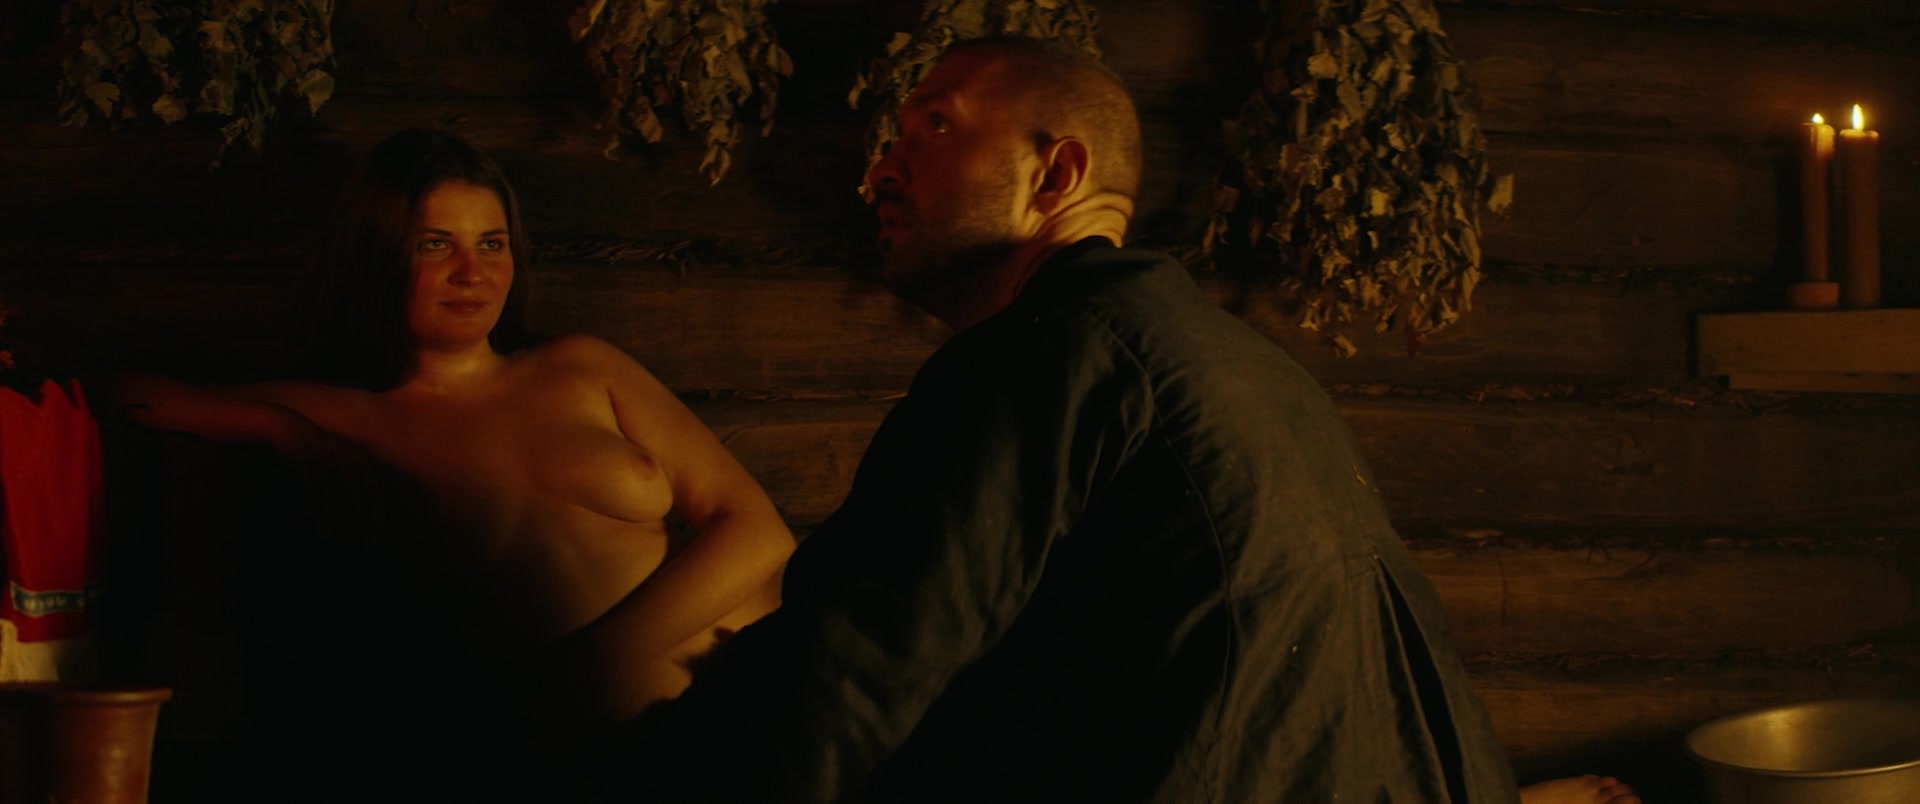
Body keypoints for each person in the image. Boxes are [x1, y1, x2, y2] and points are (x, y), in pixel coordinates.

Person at [575, 36, 1636, 804]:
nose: (882, 167)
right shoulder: (1236, 363)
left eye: (934, 127)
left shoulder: (1051, 354)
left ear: (1057, 174)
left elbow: (851, 673)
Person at [111, 129, 794, 794]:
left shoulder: (583, 367)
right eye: (435, 244)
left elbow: (757, 529)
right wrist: (282, 429)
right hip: (597, 764)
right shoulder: (343, 413)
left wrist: (592, 663)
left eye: (492, 243)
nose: (474, 272)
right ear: (378, 255)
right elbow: (123, 394)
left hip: (764, 716)